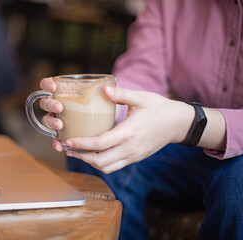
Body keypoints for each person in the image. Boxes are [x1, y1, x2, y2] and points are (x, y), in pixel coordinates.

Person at [38, 0, 243, 239]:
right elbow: (142, 75)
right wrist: (99, 108)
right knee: (96, 147)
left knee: (236, 185)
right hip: (195, 152)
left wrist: (188, 123)